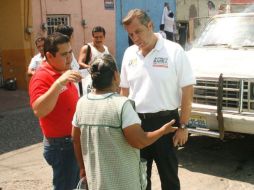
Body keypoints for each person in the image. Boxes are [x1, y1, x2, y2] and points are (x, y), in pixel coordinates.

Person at [72, 54, 177, 190]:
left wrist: (82, 167)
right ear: (116, 75)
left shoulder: (82, 103)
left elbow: (75, 138)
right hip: (124, 182)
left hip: (96, 181)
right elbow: (139, 141)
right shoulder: (122, 105)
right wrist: (162, 131)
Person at [120, 9, 196, 190]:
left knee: (169, 178)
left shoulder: (174, 51)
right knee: (139, 179)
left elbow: (188, 91)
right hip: (136, 124)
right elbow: (124, 91)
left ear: (150, 25)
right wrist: (123, 125)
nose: (135, 38)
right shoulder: (129, 54)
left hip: (167, 124)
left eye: (138, 31)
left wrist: (183, 126)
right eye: (131, 34)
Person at [29, 32, 82, 190]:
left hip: (70, 141)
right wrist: (58, 83)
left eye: (71, 52)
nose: (70, 58)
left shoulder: (62, 69)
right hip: (61, 146)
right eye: (64, 54)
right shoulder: (41, 77)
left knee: (73, 184)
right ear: (49, 56)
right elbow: (39, 110)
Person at [78, 26, 110, 95]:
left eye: (101, 37)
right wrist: (91, 68)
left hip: (103, 81)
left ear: (104, 37)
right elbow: (80, 62)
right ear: (92, 37)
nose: (98, 39)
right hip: (89, 82)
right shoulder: (87, 48)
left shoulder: (106, 48)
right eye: (96, 37)